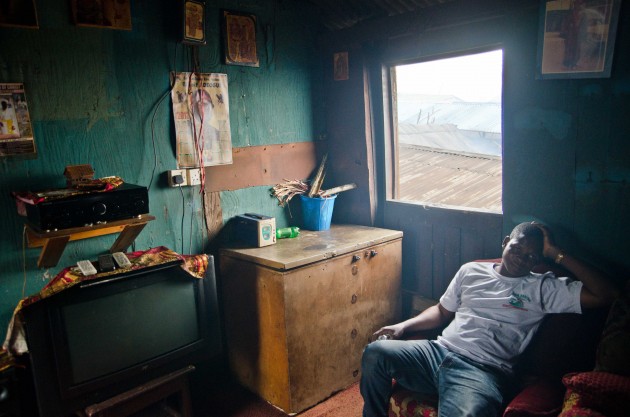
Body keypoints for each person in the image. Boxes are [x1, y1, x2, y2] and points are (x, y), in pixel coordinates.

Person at [360, 222, 619, 417]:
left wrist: (557, 254)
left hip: (482, 371)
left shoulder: (543, 288)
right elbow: (441, 311)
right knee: (376, 352)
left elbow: (607, 294)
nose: (521, 259)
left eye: (532, 257)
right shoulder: (471, 270)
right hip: (437, 353)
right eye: (517, 249)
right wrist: (401, 326)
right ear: (505, 242)